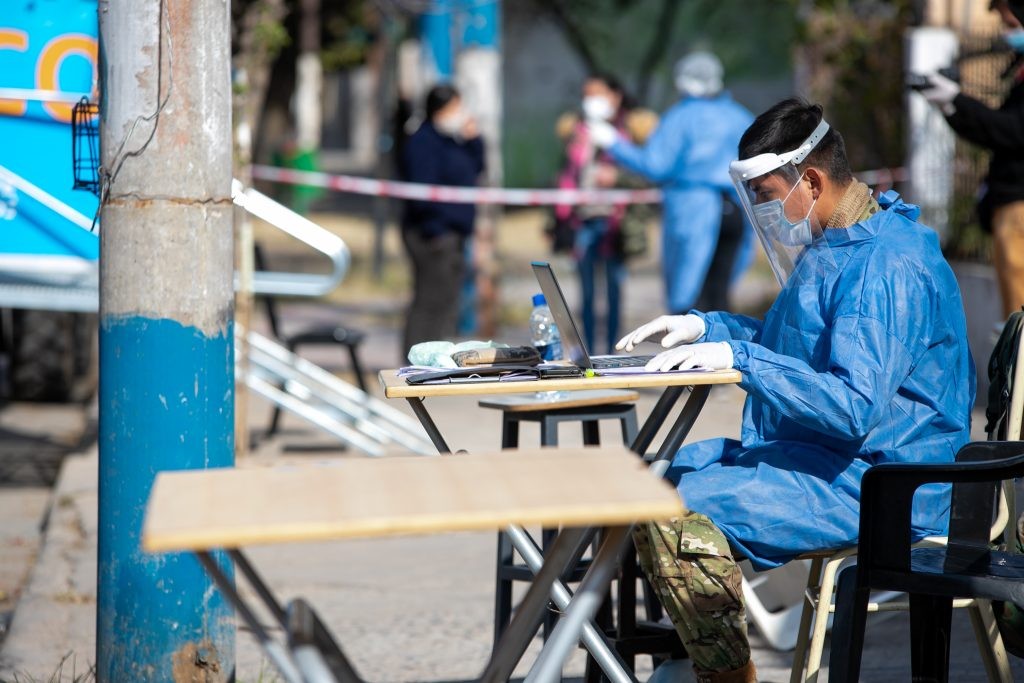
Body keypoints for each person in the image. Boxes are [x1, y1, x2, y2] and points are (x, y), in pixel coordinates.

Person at [615, 99, 975, 682]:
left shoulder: (886, 264)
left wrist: (741, 358)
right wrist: (710, 327)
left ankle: (725, 675)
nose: (761, 207)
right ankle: (695, 663)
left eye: (765, 191)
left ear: (810, 179)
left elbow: (852, 404)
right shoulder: (843, 243)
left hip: (888, 483)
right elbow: (801, 347)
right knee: (650, 478)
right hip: (833, 462)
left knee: (672, 514)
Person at [587, 51, 754, 314]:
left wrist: (613, 143)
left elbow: (655, 165)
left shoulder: (680, 117)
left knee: (689, 300)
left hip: (693, 210)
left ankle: (690, 354)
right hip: (736, 209)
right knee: (721, 296)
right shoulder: (740, 116)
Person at [918, 0, 1024, 319]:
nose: (1006, 33)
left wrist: (957, 100)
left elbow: (1013, 131)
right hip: (1009, 206)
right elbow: (995, 133)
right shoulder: (1017, 69)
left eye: (1010, 24)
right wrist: (951, 106)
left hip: (1019, 207)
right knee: (1013, 314)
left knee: (1019, 316)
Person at [552, 73, 652, 354]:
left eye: (598, 94)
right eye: (587, 95)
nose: (591, 101)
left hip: (615, 224)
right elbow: (566, 175)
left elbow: (644, 174)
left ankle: (610, 352)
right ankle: (586, 354)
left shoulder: (629, 132)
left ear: (615, 96)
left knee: (613, 292)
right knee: (584, 294)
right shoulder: (575, 132)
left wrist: (616, 176)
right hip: (582, 221)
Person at [398, 84, 485, 356]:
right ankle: (414, 358)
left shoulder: (452, 140)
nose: (460, 113)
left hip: (454, 233)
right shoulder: (422, 141)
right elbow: (421, 193)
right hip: (431, 234)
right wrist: (435, 231)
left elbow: (476, 168)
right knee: (428, 301)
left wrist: (474, 140)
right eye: (455, 107)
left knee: (446, 301)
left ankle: (433, 355)